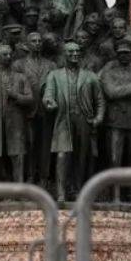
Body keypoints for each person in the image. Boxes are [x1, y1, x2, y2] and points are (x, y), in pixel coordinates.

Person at [42, 42, 105, 202]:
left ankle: (76, 190)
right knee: (62, 155)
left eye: (77, 51)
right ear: (64, 54)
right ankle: (61, 192)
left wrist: (98, 118)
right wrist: (49, 102)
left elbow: (99, 100)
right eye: (71, 52)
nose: (75, 54)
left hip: (84, 120)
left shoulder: (90, 76)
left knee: (81, 156)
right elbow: (48, 94)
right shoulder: (54, 75)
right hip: (63, 119)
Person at [100, 39, 131, 202]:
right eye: (120, 53)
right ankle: (115, 195)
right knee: (115, 160)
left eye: (126, 53)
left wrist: (124, 91)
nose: (123, 56)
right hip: (116, 122)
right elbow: (111, 92)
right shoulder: (109, 73)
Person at [0, 45, 35, 184]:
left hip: (15, 124)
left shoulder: (20, 78)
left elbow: (30, 98)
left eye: (10, 54)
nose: (8, 57)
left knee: (18, 157)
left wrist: (15, 95)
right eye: (5, 55)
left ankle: (19, 191)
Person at [14, 32, 57, 188]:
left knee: (46, 145)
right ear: (27, 44)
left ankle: (44, 177)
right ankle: (31, 175)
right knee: (29, 144)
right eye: (34, 41)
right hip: (27, 111)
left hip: (46, 111)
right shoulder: (19, 65)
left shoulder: (51, 65)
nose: (37, 43)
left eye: (39, 41)